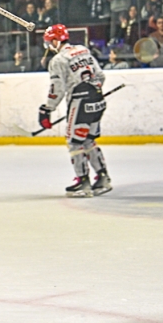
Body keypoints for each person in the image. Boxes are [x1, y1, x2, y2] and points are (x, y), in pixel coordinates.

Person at [38, 24, 111, 197]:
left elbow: (57, 88)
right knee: (88, 140)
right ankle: (103, 178)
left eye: (49, 43)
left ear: (56, 41)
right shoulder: (83, 50)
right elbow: (100, 76)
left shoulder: (58, 61)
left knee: (75, 142)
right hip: (98, 100)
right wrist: (93, 90)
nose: (49, 47)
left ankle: (83, 181)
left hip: (80, 103)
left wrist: (47, 109)